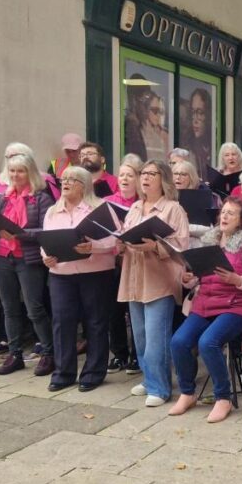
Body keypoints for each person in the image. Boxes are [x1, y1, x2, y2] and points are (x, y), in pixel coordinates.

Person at [170, 197, 242, 422]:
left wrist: (237, 280)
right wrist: (188, 279)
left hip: (237, 306)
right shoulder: (208, 242)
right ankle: (187, 393)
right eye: (223, 212)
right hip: (205, 303)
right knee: (178, 342)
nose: (224, 217)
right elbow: (197, 279)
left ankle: (223, 398)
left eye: (231, 214)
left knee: (208, 342)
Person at [118, 159, 189, 407]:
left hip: (160, 279)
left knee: (157, 336)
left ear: (164, 179)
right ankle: (149, 380)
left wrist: (155, 246)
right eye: (143, 173)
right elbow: (126, 235)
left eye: (152, 173)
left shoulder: (173, 209)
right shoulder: (135, 207)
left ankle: (160, 387)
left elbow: (182, 246)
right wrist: (120, 243)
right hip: (134, 278)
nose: (145, 177)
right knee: (140, 336)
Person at [42, 166, 118, 392]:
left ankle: (94, 373)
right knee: (62, 323)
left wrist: (94, 246)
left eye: (72, 180)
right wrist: (46, 257)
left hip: (95, 273)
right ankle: (63, 373)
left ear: (84, 185)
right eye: (63, 179)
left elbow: (116, 241)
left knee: (95, 322)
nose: (66, 183)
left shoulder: (101, 208)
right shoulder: (52, 211)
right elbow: (45, 241)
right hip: (61, 274)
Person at [0, 153, 56, 376]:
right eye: (12, 171)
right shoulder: (3, 198)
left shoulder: (41, 198)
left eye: (21, 170)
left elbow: (47, 230)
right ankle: (15, 353)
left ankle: (48, 353)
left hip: (28, 259)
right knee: (9, 308)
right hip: (2, 257)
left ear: (30, 173)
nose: (16, 175)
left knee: (34, 308)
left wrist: (19, 235)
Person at [105, 154, 144, 374]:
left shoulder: (142, 203)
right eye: (121, 175)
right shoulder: (108, 201)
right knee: (114, 310)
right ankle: (119, 353)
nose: (124, 179)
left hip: (135, 260)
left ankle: (138, 355)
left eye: (129, 175)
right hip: (113, 260)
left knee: (136, 308)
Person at [182, 88, 213, 177]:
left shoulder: (213, 144)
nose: (195, 119)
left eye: (200, 113)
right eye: (193, 112)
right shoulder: (187, 147)